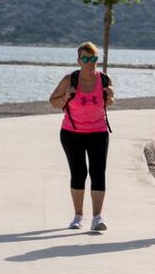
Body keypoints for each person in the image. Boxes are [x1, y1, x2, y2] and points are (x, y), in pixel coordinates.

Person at [49, 42, 115, 231]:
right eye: (85, 59)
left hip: (99, 133)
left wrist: (111, 97)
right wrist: (65, 96)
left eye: (93, 58)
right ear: (78, 61)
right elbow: (52, 101)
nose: (90, 62)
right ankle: (78, 216)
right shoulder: (70, 79)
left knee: (98, 173)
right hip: (72, 133)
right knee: (79, 173)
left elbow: (106, 103)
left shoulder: (104, 79)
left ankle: (97, 217)